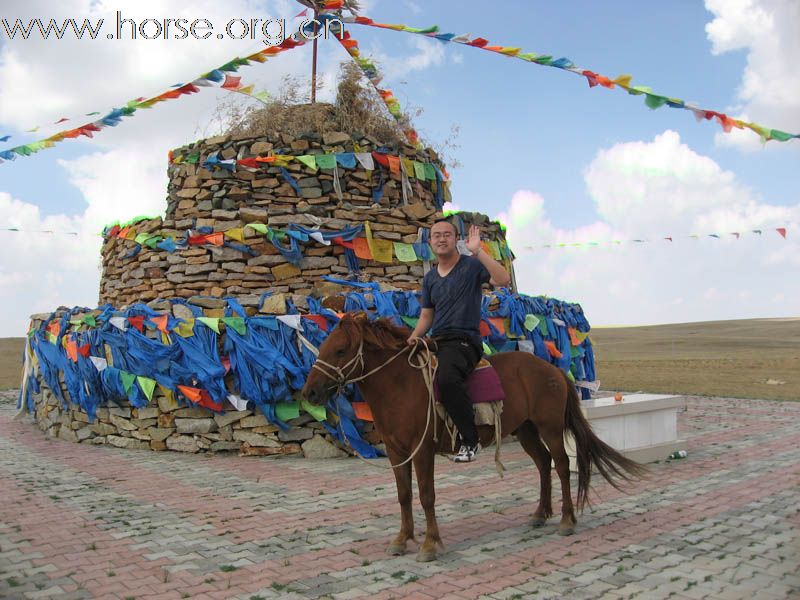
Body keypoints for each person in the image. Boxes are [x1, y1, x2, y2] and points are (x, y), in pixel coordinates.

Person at [407, 219, 511, 462]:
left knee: (447, 379)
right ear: (430, 242)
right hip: (437, 340)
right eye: (436, 235)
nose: (441, 239)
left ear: (456, 240)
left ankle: (470, 440)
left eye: (447, 234)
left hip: (464, 341)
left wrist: (478, 252)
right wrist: (412, 339)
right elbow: (426, 316)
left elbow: (503, 279)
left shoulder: (471, 266)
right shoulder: (431, 278)